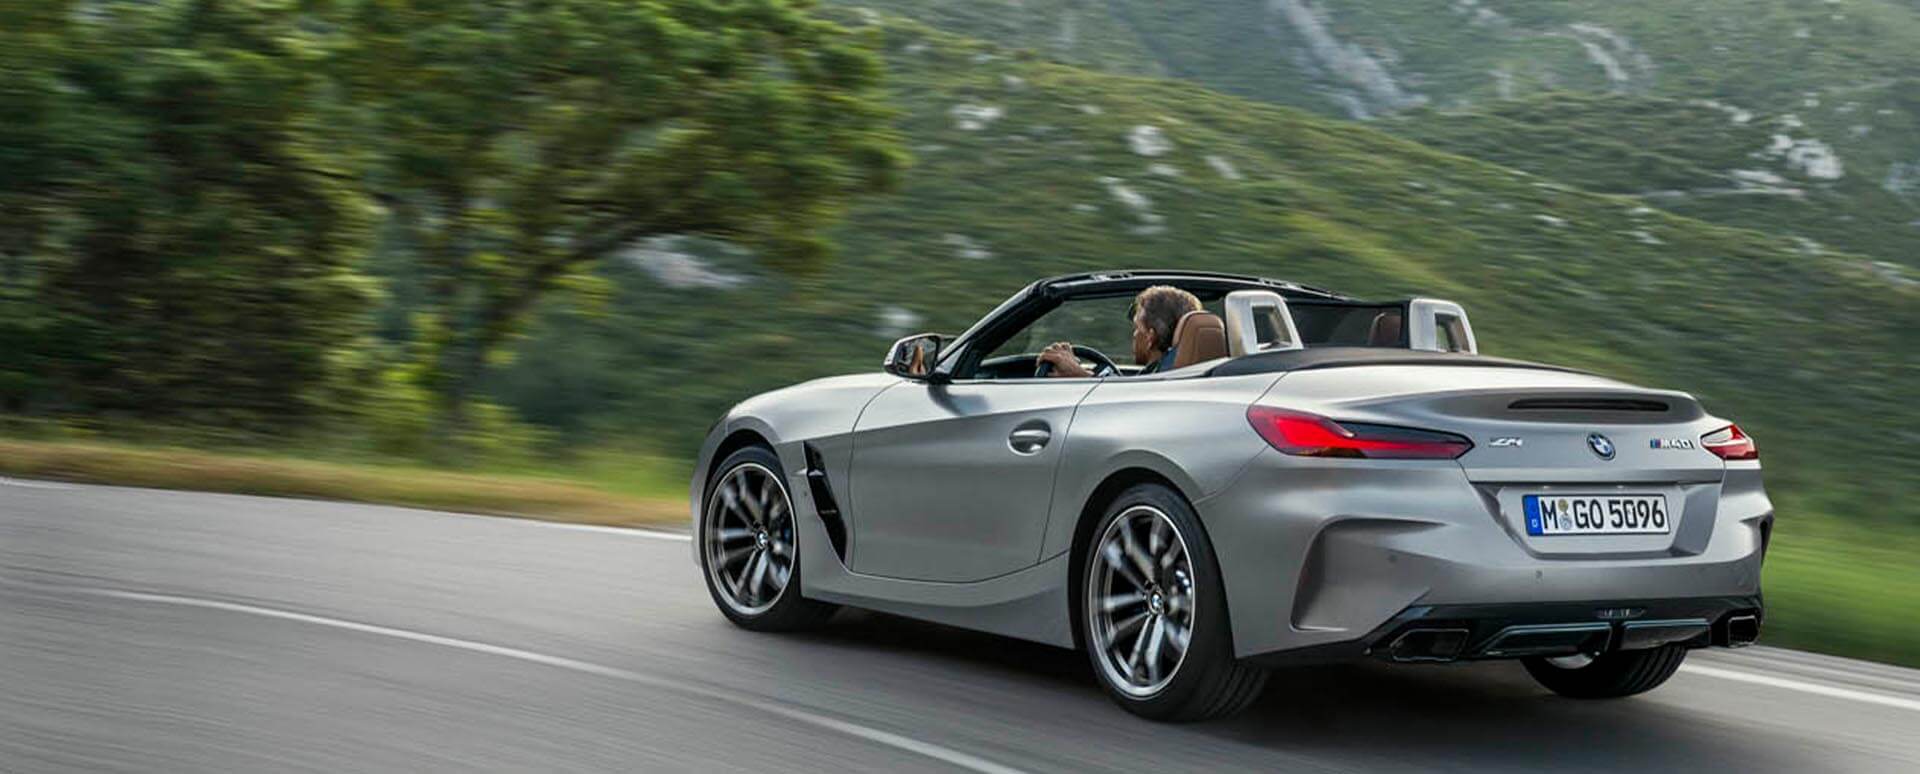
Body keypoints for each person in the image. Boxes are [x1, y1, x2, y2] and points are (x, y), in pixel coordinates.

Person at [1039, 285, 1201, 378]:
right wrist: (1085, 374)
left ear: (1150, 338)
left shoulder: (1167, 381)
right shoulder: (1189, 374)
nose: (1134, 335)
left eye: (1137, 328)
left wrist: (1078, 374)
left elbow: (1136, 405)